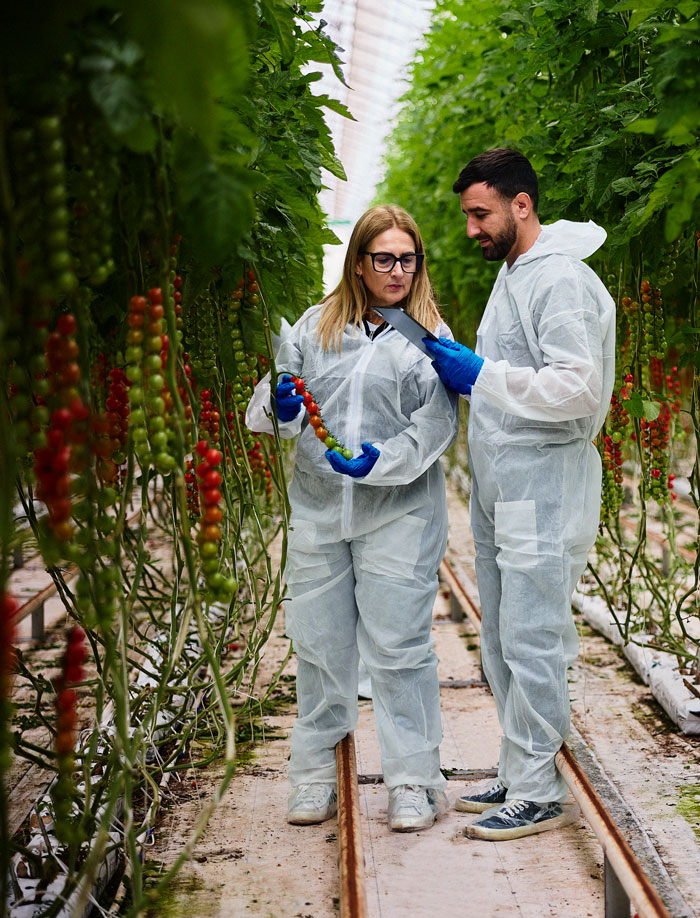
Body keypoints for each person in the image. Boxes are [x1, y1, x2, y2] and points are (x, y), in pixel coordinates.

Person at [246, 205, 459, 832]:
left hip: (398, 512)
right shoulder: (315, 328)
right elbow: (270, 413)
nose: (397, 271)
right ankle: (313, 779)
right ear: (359, 263)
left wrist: (384, 461)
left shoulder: (427, 336)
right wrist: (279, 401)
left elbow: (438, 423)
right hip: (318, 509)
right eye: (383, 259)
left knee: (399, 650)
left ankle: (414, 782)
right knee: (319, 647)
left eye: (407, 259)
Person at [423, 148, 616, 841]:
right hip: (507, 483)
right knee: (504, 630)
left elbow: (578, 387)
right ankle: (517, 763)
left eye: (480, 213)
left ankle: (540, 790)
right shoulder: (515, 273)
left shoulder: (556, 279)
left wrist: (481, 375)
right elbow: (512, 373)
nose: (472, 228)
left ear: (520, 204)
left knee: (534, 636)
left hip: (540, 484)